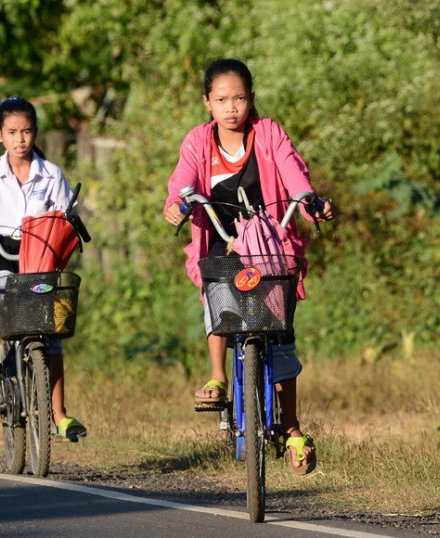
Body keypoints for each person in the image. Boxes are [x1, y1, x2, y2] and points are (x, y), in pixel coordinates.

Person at [164, 58, 333, 475]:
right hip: (223, 243)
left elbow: (295, 174)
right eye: (221, 99)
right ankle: (218, 375)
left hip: (271, 248)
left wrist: (310, 200)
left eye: (239, 98)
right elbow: (181, 182)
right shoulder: (198, 143)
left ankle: (293, 428)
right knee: (216, 288)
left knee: (280, 335)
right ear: (207, 102)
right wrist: (178, 206)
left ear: (251, 99)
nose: (231, 108)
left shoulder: (269, 133)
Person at [0, 97, 86, 441]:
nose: (20, 139)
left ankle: (59, 414)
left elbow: (68, 212)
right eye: (12, 132)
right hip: (1, 245)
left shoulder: (51, 174)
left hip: (39, 250)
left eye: (26, 131)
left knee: (51, 335)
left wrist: (70, 226)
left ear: (35, 133)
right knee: (1, 287)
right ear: (0, 135)